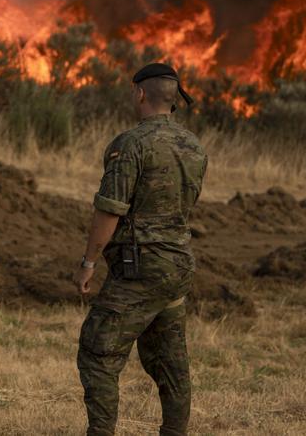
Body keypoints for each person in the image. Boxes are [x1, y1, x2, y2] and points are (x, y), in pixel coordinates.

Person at [73, 62, 208, 436]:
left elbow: (109, 209)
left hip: (141, 269)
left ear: (140, 93)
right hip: (178, 266)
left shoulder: (130, 144)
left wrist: (88, 263)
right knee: (170, 361)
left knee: (97, 352)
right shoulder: (194, 146)